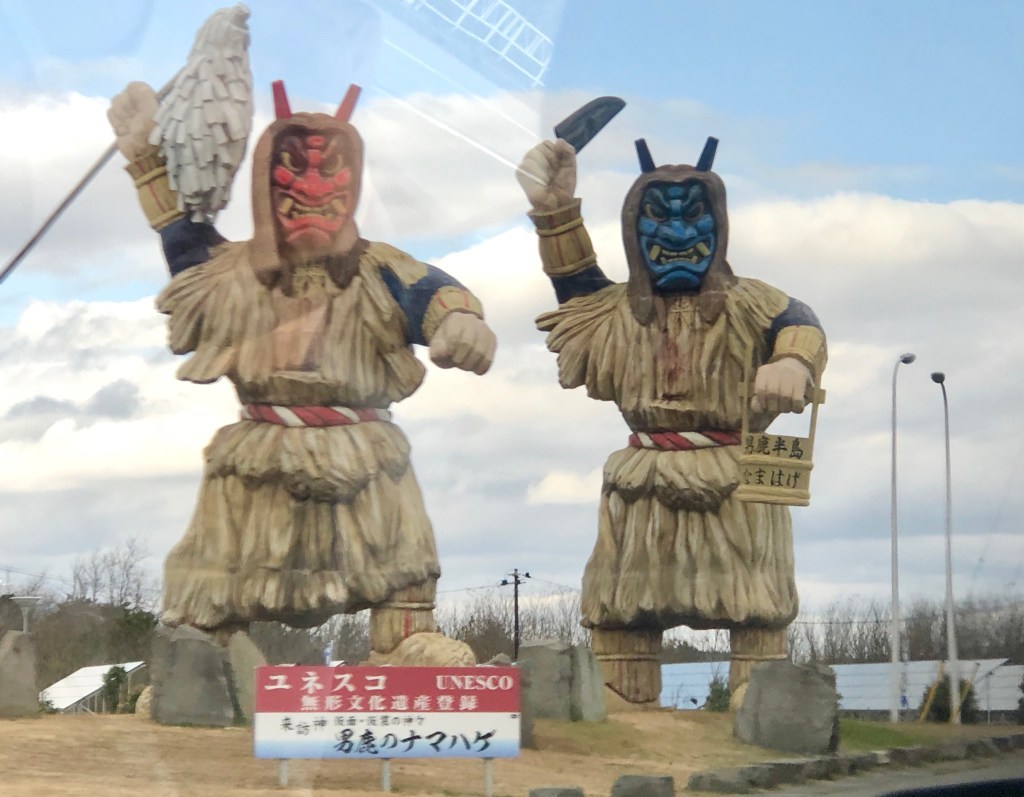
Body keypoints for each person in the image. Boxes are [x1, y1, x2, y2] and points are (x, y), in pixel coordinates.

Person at [108, 80, 496, 665]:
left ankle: (404, 641)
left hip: (362, 450)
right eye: (292, 170)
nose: (313, 188)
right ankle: (201, 659)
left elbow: (433, 293)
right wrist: (145, 159)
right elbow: (183, 239)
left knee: (399, 558)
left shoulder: (380, 268)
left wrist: (461, 321)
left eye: (331, 172)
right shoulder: (232, 271)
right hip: (258, 450)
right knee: (214, 568)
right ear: (264, 183)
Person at [517, 136, 826, 703]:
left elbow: (799, 324)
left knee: (757, 608)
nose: (679, 234)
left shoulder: (755, 302)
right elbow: (577, 290)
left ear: (720, 224)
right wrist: (556, 212)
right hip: (643, 479)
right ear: (633, 230)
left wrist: (791, 362)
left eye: (695, 216)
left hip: (738, 474)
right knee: (621, 612)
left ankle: (759, 705)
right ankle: (624, 702)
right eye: (659, 217)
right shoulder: (615, 311)